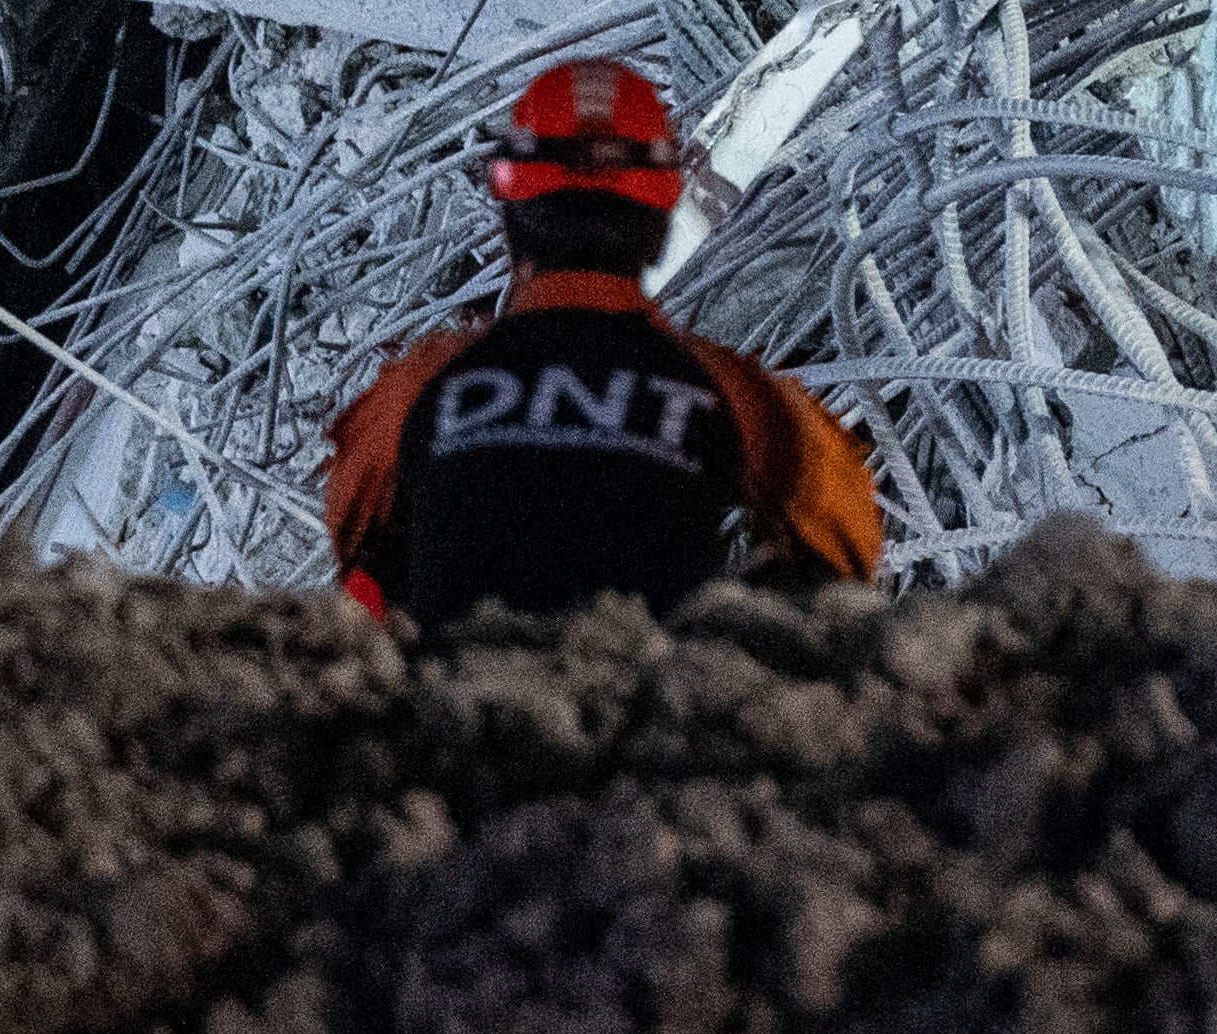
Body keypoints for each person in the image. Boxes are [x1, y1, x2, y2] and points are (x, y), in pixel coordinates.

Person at [323, 58, 881, 620]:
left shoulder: (417, 391)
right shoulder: (741, 400)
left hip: (459, 673)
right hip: (647, 672)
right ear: (659, 221)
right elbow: (843, 548)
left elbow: (359, 570)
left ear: (512, 216)